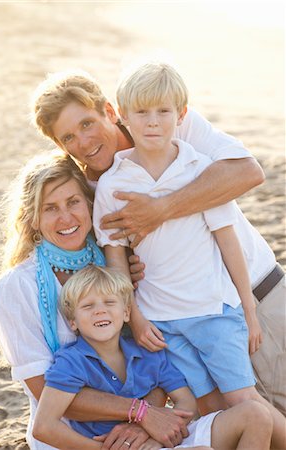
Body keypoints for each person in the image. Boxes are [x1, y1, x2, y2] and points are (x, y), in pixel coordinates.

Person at [32, 68, 286, 416]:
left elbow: (247, 172)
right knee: (229, 419)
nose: (84, 142)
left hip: (257, 295)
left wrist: (160, 209)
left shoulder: (167, 119)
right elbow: (114, 260)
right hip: (179, 320)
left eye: (87, 124)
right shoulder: (92, 191)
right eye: (68, 138)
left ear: (109, 111)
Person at [92, 61, 286, 450]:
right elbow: (116, 265)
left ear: (181, 115)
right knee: (208, 408)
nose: (152, 122)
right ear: (123, 115)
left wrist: (248, 309)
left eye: (163, 112)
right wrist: (138, 316)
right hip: (164, 325)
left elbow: (228, 241)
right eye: (142, 112)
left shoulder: (197, 168)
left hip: (215, 311)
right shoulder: (113, 184)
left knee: (247, 404)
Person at [0, 150, 194, 450]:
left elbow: (152, 365)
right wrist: (139, 412)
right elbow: (45, 390)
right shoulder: (17, 287)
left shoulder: (116, 263)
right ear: (32, 219)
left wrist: (145, 422)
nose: (65, 218)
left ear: (89, 204)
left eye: (73, 202)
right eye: (50, 208)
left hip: (139, 430)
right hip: (70, 438)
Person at [33, 264, 273, 450]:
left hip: (160, 440)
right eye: (88, 306)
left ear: (127, 312)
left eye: (109, 302)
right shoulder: (71, 362)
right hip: (106, 446)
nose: (100, 310)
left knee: (256, 414)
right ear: (72, 322)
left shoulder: (147, 353)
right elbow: (43, 427)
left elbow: (186, 402)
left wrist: (152, 433)